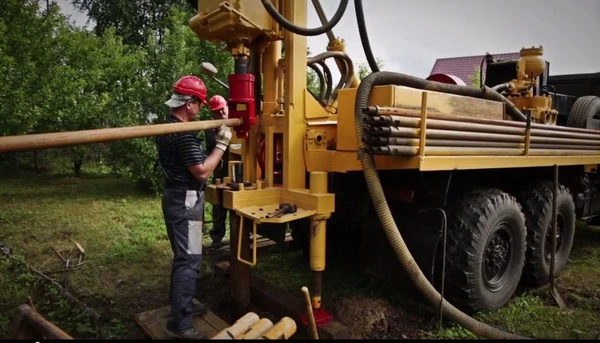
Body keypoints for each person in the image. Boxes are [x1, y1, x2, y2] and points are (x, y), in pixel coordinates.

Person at [156, 75, 232, 340]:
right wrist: (223, 143)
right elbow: (202, 170)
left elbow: (195, 149)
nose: (200, 108)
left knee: (188, 256)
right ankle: (179, 325)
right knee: (189, 260)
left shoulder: (169, 125)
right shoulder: (183, 135)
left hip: (181, 198)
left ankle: (182, 306)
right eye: (198, 103)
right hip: (185, 200)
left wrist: (218, 120)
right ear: (188, 103)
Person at [205, 95, 230, 248]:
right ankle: (216, 239)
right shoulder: (211, 129)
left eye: (222, 110)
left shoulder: (238, 124)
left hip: (238, 174)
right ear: (212, 114)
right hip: (220, 174)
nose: (221, 114)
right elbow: (213, 147)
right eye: (217, 112)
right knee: (218, 208)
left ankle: (245, 237)